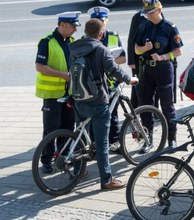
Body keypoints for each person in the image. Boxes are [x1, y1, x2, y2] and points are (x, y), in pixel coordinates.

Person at [69, 18, 139, 190]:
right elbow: (114, 70)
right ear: (101, 34)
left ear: (85, 32)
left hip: (79, 98)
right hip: (97, 100)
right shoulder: (101, 49)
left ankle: (79, 170)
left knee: (80, 135)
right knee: (102, 143)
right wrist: (129, 79)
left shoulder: (76, 47)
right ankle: (106, 180)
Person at [35, 11, 81, 174]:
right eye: (72, 27)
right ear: (62, 25)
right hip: (52, 95)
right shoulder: (47, 41)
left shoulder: (72, 41)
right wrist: (62, 75)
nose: (75, 30)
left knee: (68, 127)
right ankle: (46, 160)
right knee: (51, 129)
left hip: (68, 94)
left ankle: (62, 157)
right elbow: (40, 66)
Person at [134, 0, 183, 152]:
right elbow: (136, 49)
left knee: (167, 105)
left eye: (151, 12)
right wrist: (144, 48)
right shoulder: (143, 26)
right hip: (147, 70)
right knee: (146, 105)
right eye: (147, 13)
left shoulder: (170, 27)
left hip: (163, 69)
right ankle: (147, 141)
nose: (149, 15)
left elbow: (178, 51)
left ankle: (172, 139)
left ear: (160, 9)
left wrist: (162, 57)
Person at [87, 6, 126, 154]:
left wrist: (110, 60)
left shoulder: (113, 36)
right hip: (95, 85)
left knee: (113, 114)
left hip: (111, 83)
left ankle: (114, 142)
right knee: (94, 117)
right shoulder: (88, 39)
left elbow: (123, 58)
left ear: (107, 21)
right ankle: (95, 145)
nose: (101, 23)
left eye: (103, 21)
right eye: (98, 21)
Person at [127, 1, 148, 109]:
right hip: (138, 59)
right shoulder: (137, 17)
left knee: (152, 87)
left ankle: (153, 109)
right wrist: (131, 60)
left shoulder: (158, 14)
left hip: (151, 59)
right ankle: (134, 109)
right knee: (137, 86)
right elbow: (131, 40)